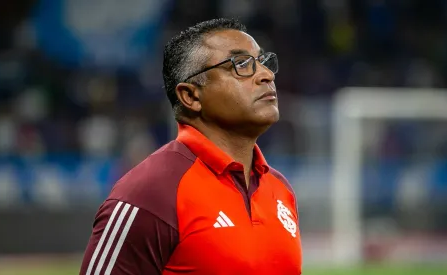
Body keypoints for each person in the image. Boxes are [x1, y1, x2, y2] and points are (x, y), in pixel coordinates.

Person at [79, 18, 302, 275]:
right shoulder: (149, 193)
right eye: (241, 64)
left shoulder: (280, 189)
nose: (266, 75)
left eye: (263, 62)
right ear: (191, 96)